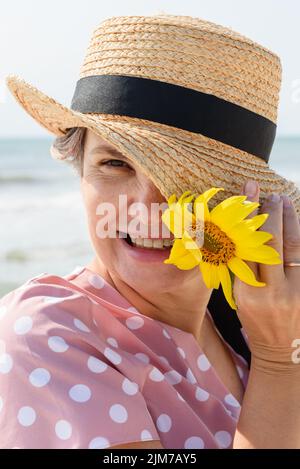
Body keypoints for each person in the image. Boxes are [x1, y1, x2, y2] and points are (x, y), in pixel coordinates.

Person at [1, 14, 300, 449]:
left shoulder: (246, 313)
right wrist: (280, 364)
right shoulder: (44, 337)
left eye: (190, 176)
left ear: (246, 199)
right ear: (79, 170)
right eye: (115, 164)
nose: (146, 207)